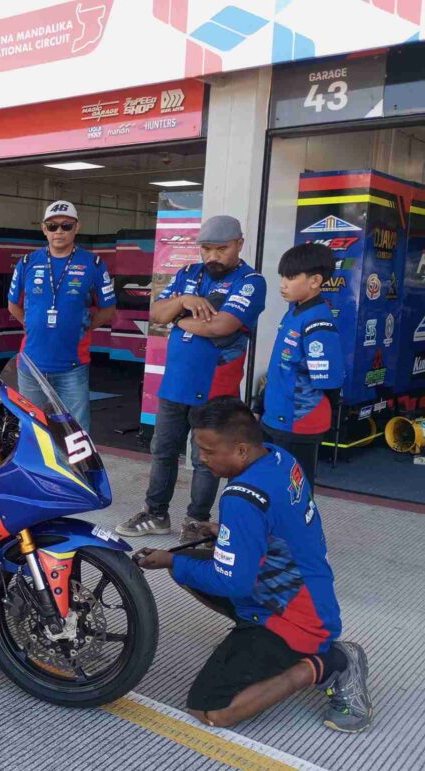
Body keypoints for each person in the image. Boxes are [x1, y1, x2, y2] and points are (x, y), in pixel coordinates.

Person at [136, 398, 372, 733]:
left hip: (295, 617)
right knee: (191, 564)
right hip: (308, 589)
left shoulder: (242, 498)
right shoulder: (279, 458)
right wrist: (227, 531)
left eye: (208, 450)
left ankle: (332, 662)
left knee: (211, 709)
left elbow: (232, 583)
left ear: (241, 450)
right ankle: (253, 641)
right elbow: (280, 521)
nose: (201, 458)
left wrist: (171, 559)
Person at [116, 215, 266, 543]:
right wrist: (183, 302)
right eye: (207, 249)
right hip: (175, 383)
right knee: (163, 450)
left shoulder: (250, 282)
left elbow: (220, 326)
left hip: (215, 387)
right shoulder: (188, 273)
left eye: (221, 249)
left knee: (205, 459)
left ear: (239, 244)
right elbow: (157, 313)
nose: (213, 256)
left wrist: (179, 320)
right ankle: (156, 514)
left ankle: (197, 522)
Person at [7, 200, 116, 431]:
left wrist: (83, 327)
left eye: (66, 226)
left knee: (75, 432)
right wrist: (31, 324)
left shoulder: (93, 264)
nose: (59, 231)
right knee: (31, 430)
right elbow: (12, 305)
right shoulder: (27, 262)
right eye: (52, 226)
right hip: (31, 365)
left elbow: (108, 309)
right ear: (44, 229)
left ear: (77, 228)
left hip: (72, 366)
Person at [258, 243, 344, 489]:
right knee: (272, 486)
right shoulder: (293, 312)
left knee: (296, 492)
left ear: (315, 281)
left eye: (291, 277)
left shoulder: (318, 322)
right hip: (274, 416)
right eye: (282, 277)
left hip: (298, 421)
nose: (283, 284)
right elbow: (282, 368)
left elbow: (329, 382)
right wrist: (260, 404)